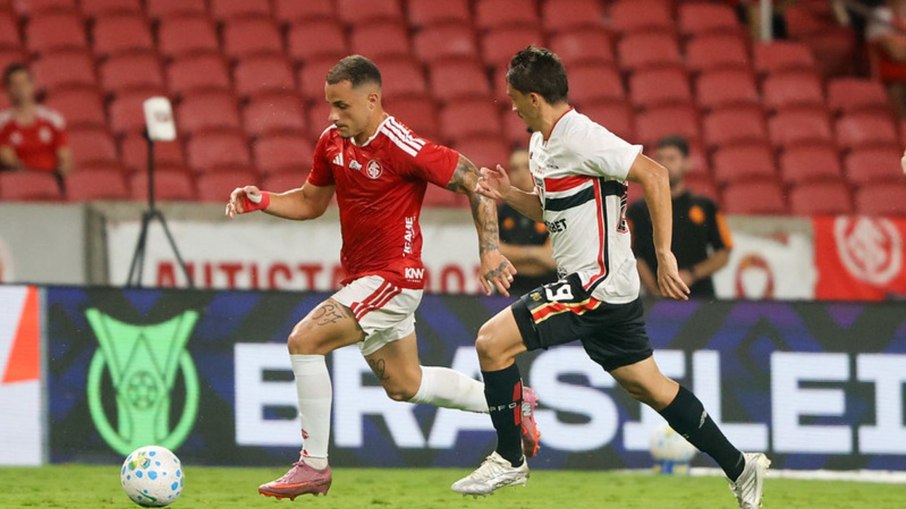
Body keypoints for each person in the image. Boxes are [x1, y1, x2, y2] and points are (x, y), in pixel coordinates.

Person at [451, 47, 769, 509]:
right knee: (651, 386)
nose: (510, 104)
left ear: (535, 97)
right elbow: (550, 209)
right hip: (609, 290)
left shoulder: (581, 136)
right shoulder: (542, 144)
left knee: (490, 342)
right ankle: (742, 468)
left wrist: (664, 254)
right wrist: (508, 195)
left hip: (594, 285)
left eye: (514, 97)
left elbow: (654, 175)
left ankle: (509, 458)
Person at [225, 55, 540, 500]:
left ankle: (313, 465)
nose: (334, 116)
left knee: (303, 341)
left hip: (394, 277)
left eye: (343, 106)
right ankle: (514, 401)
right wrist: (263, 200)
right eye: (330, 106)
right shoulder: (332, 143)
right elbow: (312, 202)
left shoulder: (403, 146)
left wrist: (490, 251)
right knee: (404, 385)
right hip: (366, 279)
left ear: (372, 100)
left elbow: (474, 181)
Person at [626, 135, 733, 300]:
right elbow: (633, 255)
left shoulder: (706, 206)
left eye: (671, 158)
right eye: (659, 158)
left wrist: (692, 274)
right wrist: (654, 290)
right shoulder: (638, 210)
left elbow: (723, 252)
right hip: (655, 301)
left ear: (687, 163)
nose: (664, 163)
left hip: (701, 299)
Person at [0, 63, 72, 190]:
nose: (20, 88)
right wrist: (34, 179)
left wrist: (57, 178)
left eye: (24, 83)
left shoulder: (52, 119)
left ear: (32, 85)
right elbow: (8, 159)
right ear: (8, 89)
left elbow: (65, 158)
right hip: (19, 184)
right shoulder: (2, 122)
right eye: (15, 84)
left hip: (52, 182)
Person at [497, 148, 558, 295]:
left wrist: (514, 257)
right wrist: (535, 254)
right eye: (515, 168)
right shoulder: (500, 212)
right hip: (508, 291)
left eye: (526, 167)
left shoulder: (552, 208)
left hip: (547, 290)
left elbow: (553, 260)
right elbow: (494, 254)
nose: (521, 173)